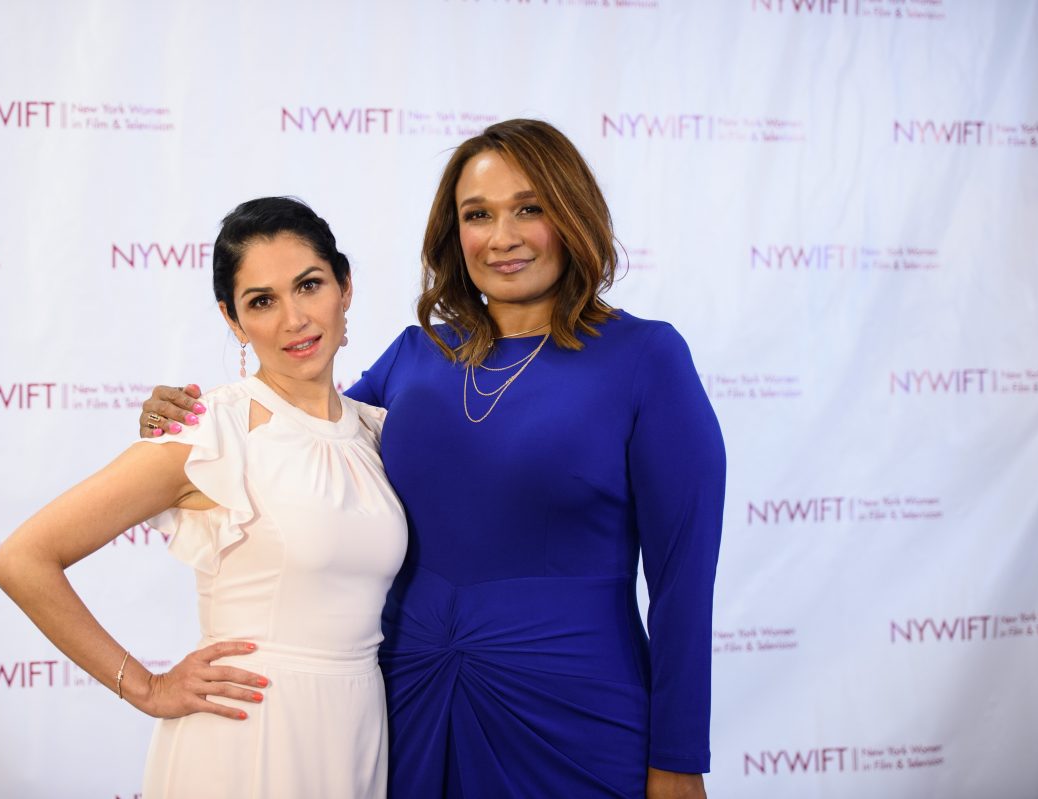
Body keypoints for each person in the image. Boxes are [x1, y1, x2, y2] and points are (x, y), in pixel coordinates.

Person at [141, 120, 726, 799]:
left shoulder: (646, 360)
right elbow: (293, 441)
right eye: (478, 215)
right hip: (404, 706)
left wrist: (678, 761)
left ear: (572, 215)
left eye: (528, 208)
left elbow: (684, 582)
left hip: (573, 715)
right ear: (455, 234)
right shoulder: (416, 356)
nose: (502, 236)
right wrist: (186, 420)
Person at [0, 197, 407, 799]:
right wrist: (146, 688)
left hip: (357, 730)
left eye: (309, 285)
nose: (293, 318)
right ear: (233, 321)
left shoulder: (377, 430)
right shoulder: (210, 429)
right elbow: (22, 559)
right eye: (261, 301)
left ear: (344, 287)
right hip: (247, 732)